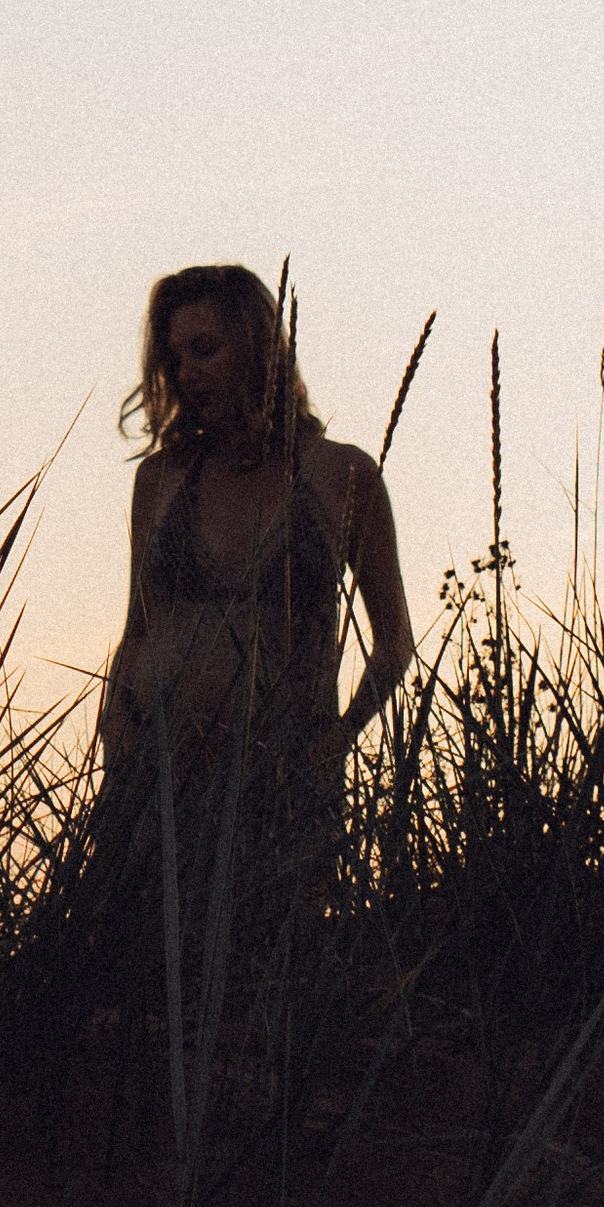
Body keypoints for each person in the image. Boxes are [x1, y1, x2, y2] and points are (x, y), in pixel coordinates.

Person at [97, 266, 415, 869]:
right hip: (156, 781)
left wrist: (338, 738)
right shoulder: (160, 480)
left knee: (275, 928)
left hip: (283, 783)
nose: (187, 373)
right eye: (175, 358)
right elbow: (140, 631)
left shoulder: (343, 475)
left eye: (204, 350)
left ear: (256, 347)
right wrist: (117, 733)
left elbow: (395, 640)